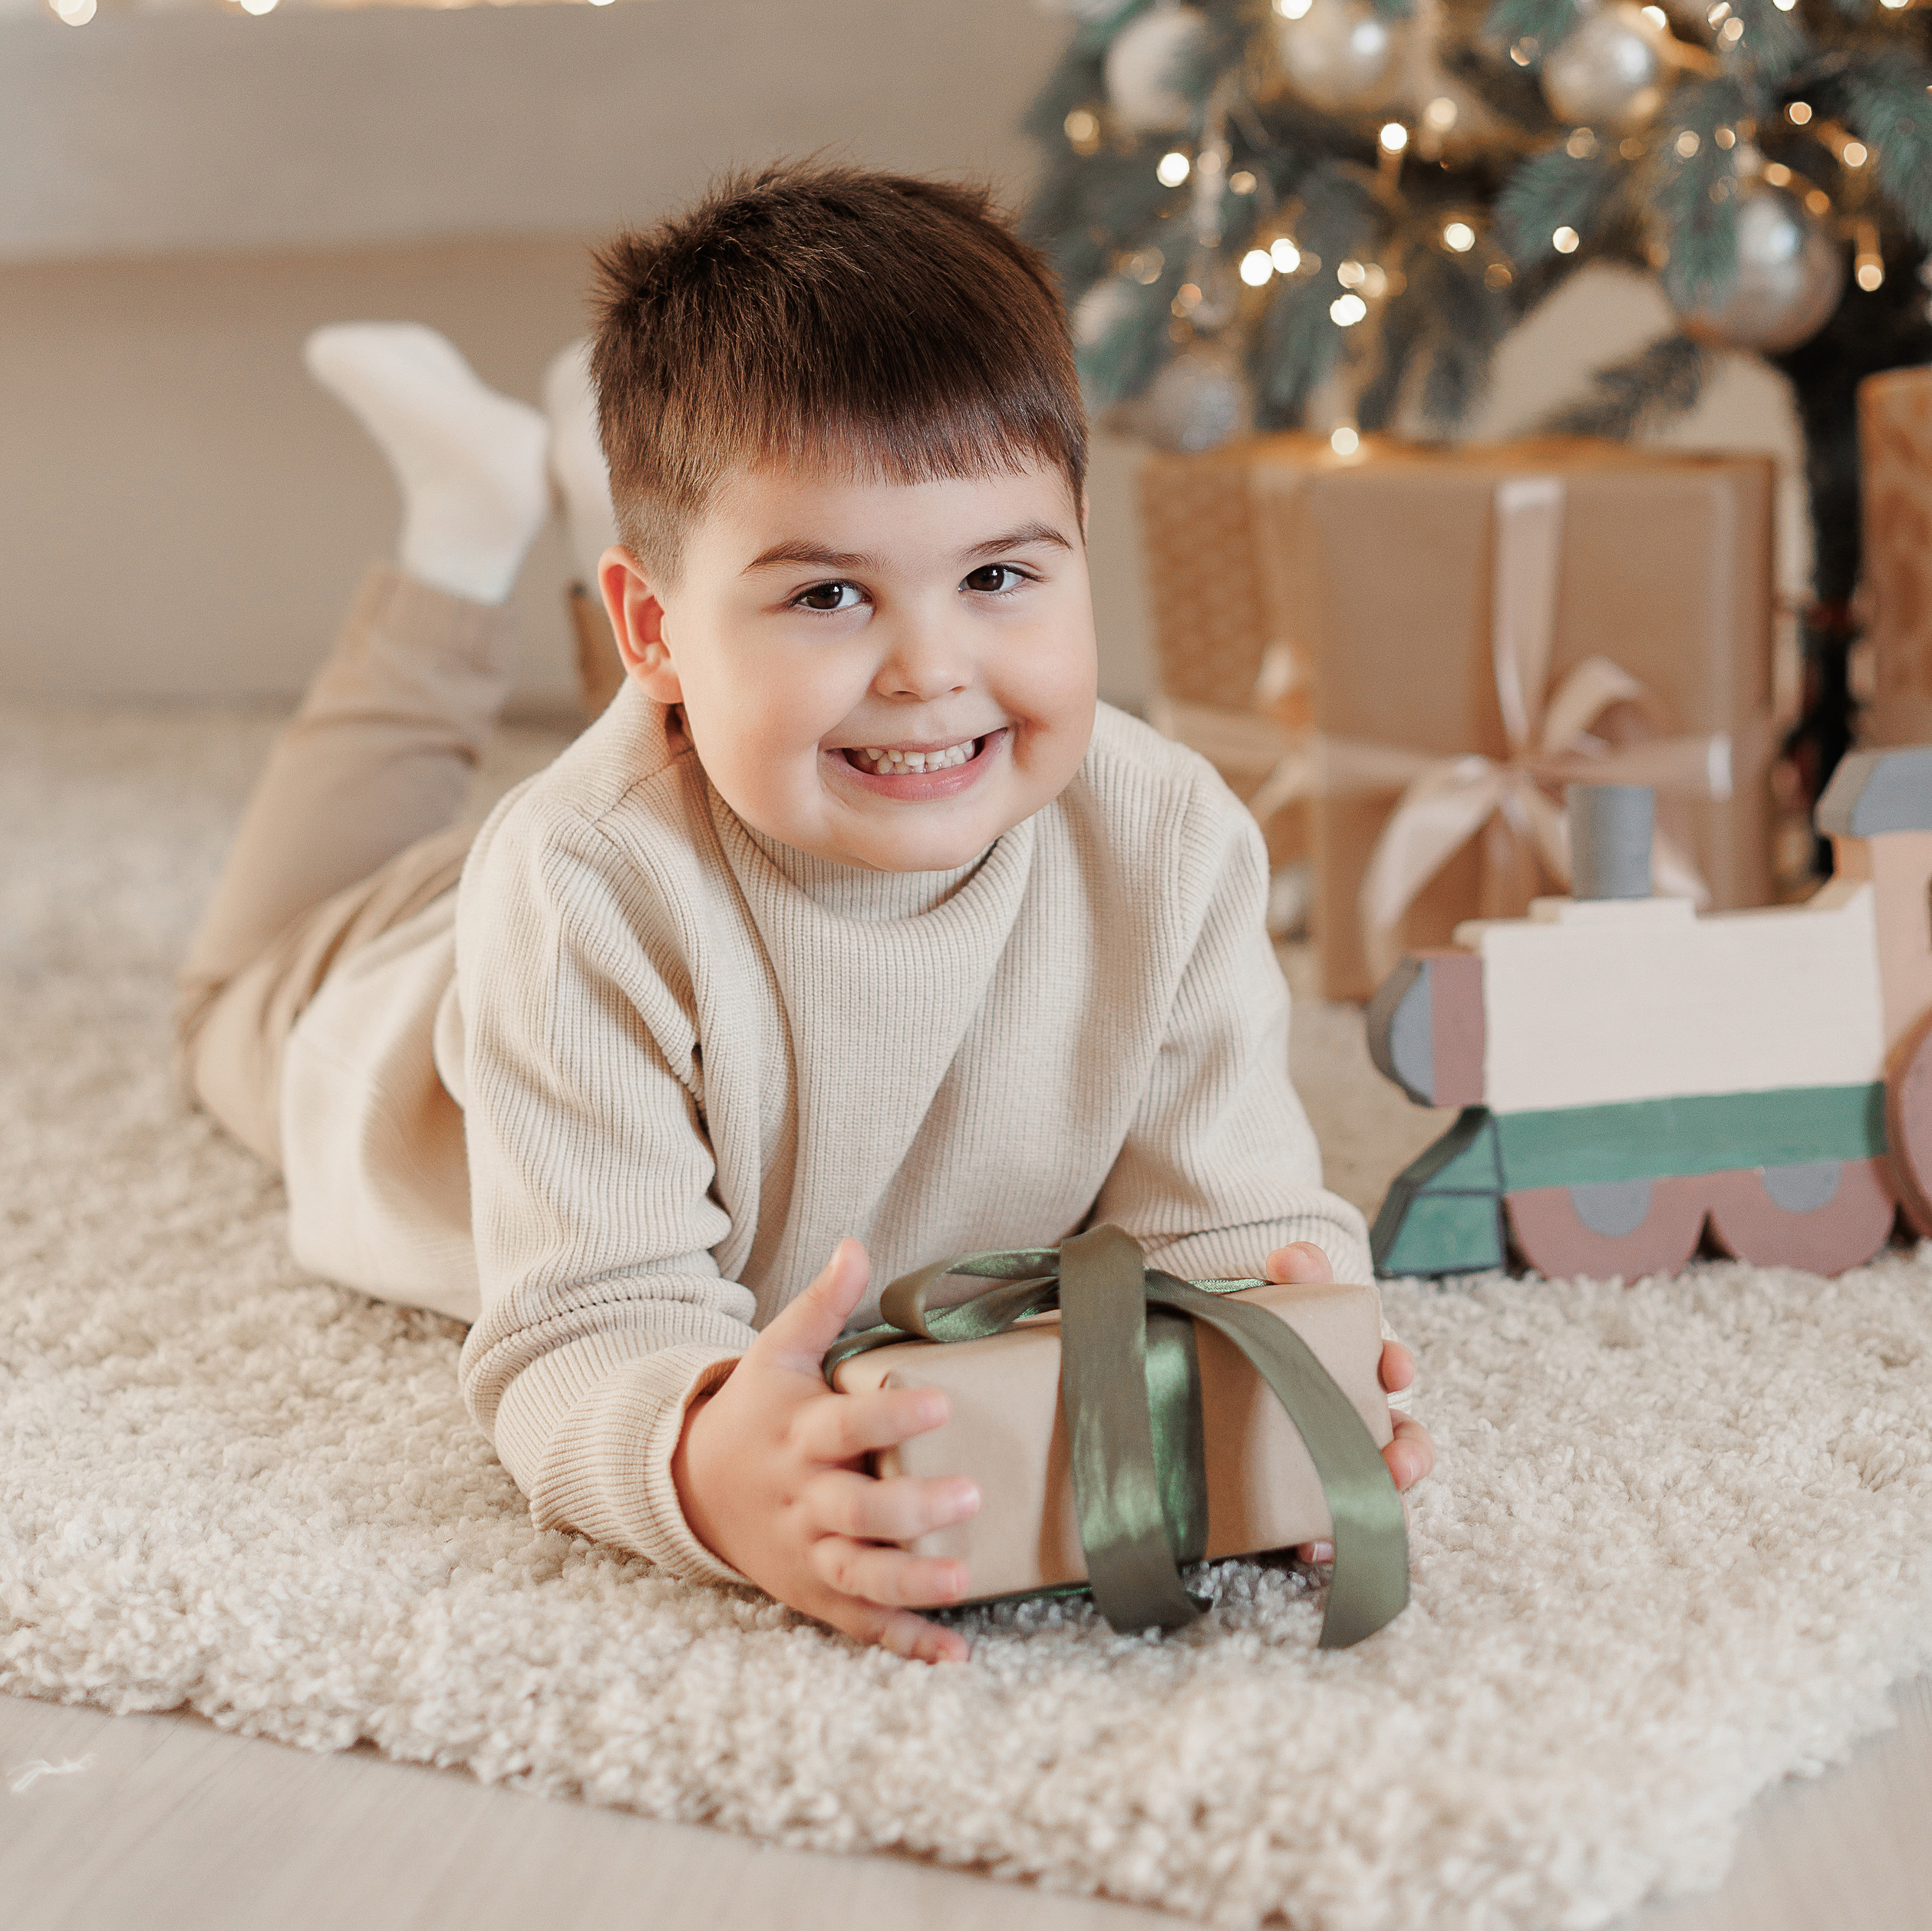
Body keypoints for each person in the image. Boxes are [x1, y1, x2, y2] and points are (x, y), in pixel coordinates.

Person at [176, 163, 1430, 1665]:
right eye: (830, 595)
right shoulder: (572, 887)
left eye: (997, 574)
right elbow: (588, 1325)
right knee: (229, 991)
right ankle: (462, 528)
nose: (930, 670)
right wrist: (711, 1468)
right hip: (394, 1002)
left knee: (755, 738)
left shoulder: (1166, 839)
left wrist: (1284, 1371)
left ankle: (609, 514)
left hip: (721, 793)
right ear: (650, 626)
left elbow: (1226, 1216)